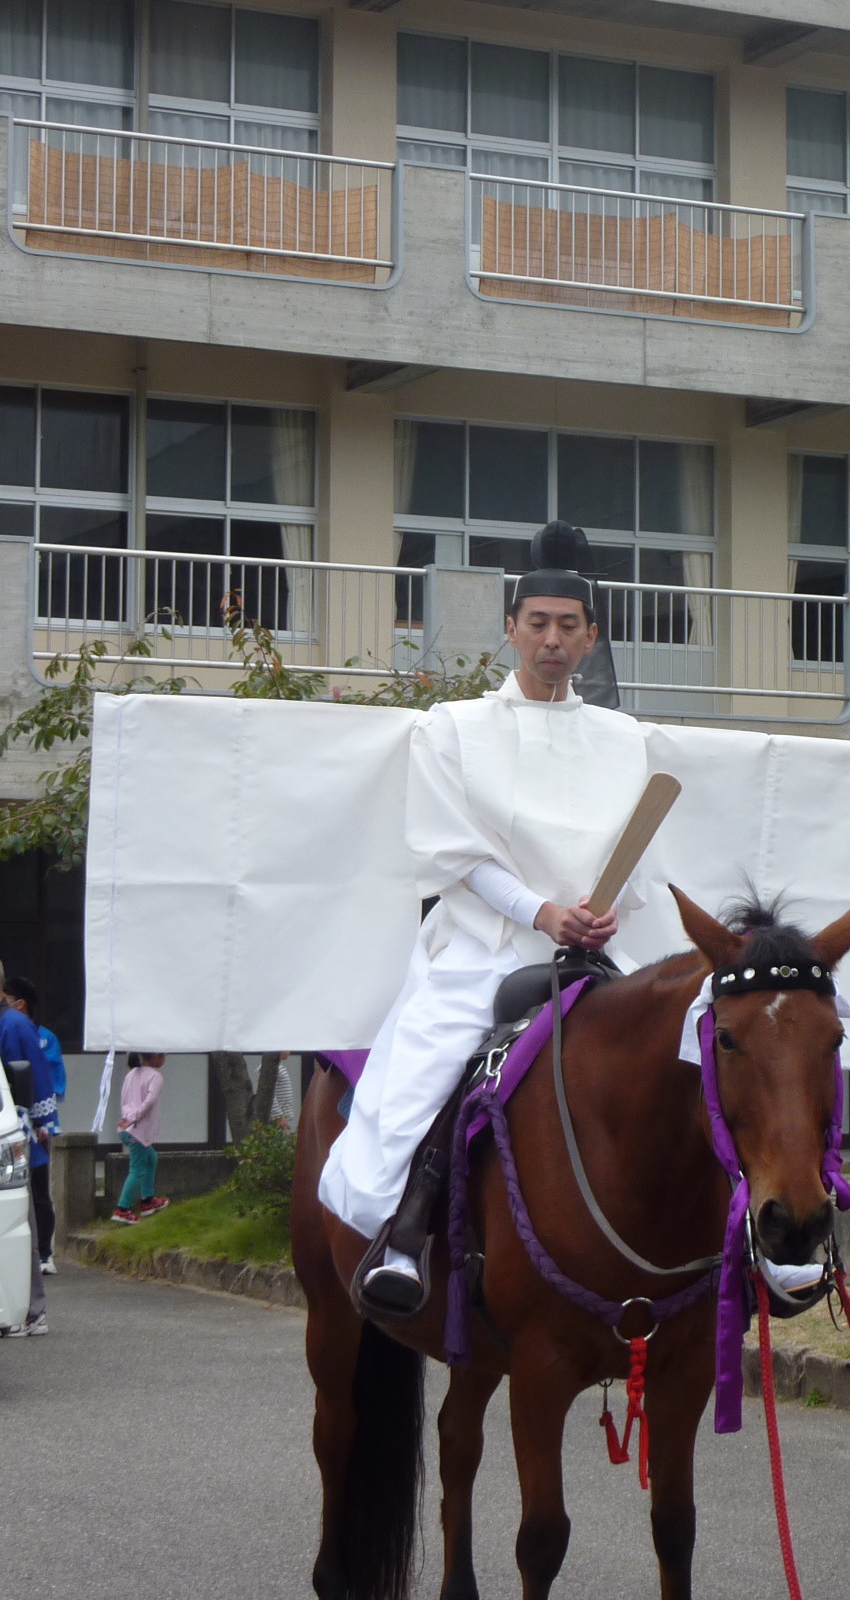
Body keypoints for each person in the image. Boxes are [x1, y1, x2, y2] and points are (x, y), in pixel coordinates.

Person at [318, 523, 649, 1315]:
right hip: (484, 949)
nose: (552, 639)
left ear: (592, 635)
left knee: (690, 1055)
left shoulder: (624, 738)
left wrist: (598, 915)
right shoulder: (452, 728)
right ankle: (403, 1233)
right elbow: (453, 853)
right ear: (511, 628)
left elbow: (637, 851)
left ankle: (741, 1244)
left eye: (569, 625)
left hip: (593, 953)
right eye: (537, 622)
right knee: (424, 1076)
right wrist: (542, 912)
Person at [0, 954, 58, 1337]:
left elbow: (35, 1076)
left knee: (21, 1227)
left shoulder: (13, 1023)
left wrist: (43, 1123)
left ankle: (30, 1311)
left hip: (12, 1140)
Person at [3, 975, 65, 1274]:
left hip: (36, 1121)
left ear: (19, 1003)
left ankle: (45, 1253)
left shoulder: (44, 1037)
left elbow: (48, 1077)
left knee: (39, 1189)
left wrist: (44, 1119)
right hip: (6, 1121)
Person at [112, 1053, 170, 1225]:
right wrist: (135, 1117)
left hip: (126, 1128)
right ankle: (122, 1209)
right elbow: (150, 1100)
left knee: (151, 1158)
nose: (165, 1058)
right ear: (155, 1057)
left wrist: (128, 1117)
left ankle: (148, 1200)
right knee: (137, 1169)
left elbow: (125, 1099)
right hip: (137, 1129)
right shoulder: (155, 1076)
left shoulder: (131, 1074)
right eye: (163, 1055)